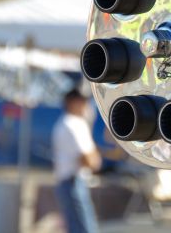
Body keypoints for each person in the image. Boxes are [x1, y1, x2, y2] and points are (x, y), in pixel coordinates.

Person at [52, 89, 101, 233]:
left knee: (75, 226)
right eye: (83, 102)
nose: (86, 106)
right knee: (85, 228)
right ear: (72, 103)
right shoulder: (74, 124)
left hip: (67, 182)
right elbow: (88, 159)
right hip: (73, 183)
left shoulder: (63, 123)